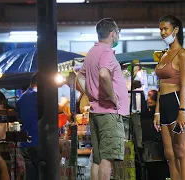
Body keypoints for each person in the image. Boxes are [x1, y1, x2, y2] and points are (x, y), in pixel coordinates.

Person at [78, 18, 129, 180]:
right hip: (109, 113)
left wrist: (90, 94)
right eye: (118, 33)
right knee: (108, 157)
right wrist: (113, 96)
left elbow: (79, 76)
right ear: (113, 34)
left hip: (96, 111)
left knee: (98, 158)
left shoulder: (92, 52)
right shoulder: (106, 52)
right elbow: (103, 73)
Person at [153, 15, 185, 180]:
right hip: (164, 106)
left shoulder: (182, 54)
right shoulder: (164, 54)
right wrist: (157, 112)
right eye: (160, 29)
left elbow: (183, 85)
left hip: (177, 104)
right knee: (169, 153)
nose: (162, 32)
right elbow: (160, 86)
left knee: (181, 150)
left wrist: (182, 111)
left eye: (165, 29)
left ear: (175, 30)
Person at [16, 72, 38, 180]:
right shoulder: (40, 97)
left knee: (30, 176)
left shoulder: (21, 99)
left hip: (25, 143)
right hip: (39, 143)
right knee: (43, 174)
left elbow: (20, 119)